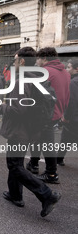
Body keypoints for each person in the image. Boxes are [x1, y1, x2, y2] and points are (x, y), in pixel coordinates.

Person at [0, 46, 61, 217]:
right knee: (15, 163)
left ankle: (47, 195)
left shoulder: (22, 80)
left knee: (15, 165)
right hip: (31, 128)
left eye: (15, 59)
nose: (14, 63)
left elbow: (19, 109)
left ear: (22, 61)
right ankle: (15, 195)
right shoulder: (38, 77)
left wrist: (1, 106)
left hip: (20, 130)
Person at [27, 47, 70, 184]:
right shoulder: (65, 72)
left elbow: (36, 95)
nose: (37, 62)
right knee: (38, 139)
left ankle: (51, 173)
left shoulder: (45, 72)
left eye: (38, 59)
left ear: (44, 58)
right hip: (57, 111)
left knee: (46, 143)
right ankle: (33, 164)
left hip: (45, 112)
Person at [57, 58, 78, 165]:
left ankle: (58, 159)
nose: (67, 69)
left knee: (65, 139)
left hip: (73, 119)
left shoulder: (74, 82)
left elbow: (72, 101)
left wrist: (66, 117)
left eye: (69, 67)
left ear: (76, 69)